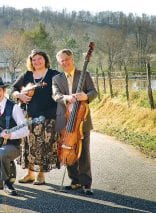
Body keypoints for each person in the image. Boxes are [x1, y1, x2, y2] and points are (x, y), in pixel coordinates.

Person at [52, 48, 98, 195]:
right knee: (67, 149)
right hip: (65, 120)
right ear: (59, 63)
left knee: (84, 152)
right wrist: (66, 98)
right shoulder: (56, 79)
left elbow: (93, 92)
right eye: (62, 61)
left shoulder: (84, 75)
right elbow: (56, 95)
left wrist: (85, 96)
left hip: (81, 121)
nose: (64, 63)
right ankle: (75, 181)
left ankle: (86, 184)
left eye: (67, 59)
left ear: (72, 59)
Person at [11, 49, 60, 185]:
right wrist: (19, 95)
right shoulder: (27, 75)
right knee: (29, 145)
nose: (37, 61)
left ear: (45, 60)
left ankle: (41, 174)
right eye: (34, 59)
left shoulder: (53, 75)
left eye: (39, 58)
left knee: (44, 145)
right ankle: (30, 174)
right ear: (30, 62)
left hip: (48, 116)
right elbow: (13, 90)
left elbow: (62, 90)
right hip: (30, 116)